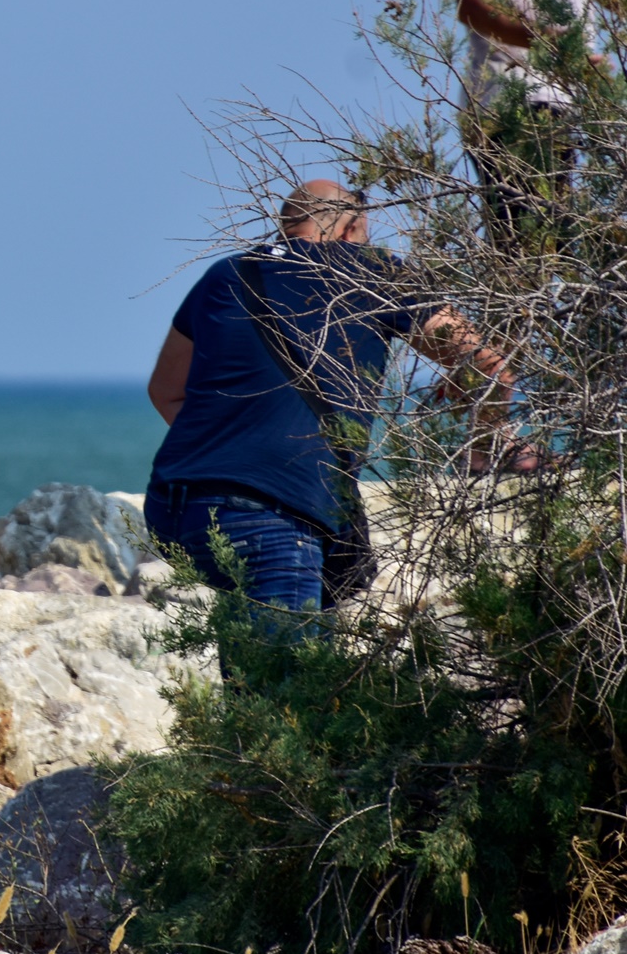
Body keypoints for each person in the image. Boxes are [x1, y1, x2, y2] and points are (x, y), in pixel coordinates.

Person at [143, 181, 518, 624]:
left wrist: (237, 452)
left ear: (287, 228)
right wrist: (482, 447)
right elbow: (493, 366)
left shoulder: (228, 273)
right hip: (274, 510)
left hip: (178, 504)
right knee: (287, 682)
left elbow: (165, 390)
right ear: (350, 228)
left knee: (252, 673)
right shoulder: (375, 271)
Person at [450, 0, 616, 248]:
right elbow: (473, 1)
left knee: (556, 251)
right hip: (511, 101)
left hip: (564, 104)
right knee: (527, 252)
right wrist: (552, 46)